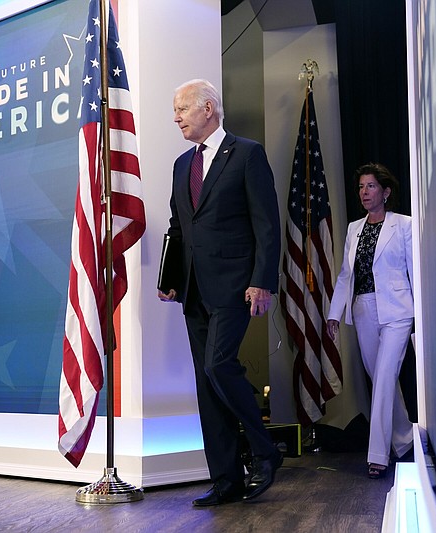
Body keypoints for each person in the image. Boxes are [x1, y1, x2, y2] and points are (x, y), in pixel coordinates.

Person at [158, 79, 283, 506]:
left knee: (218, 366)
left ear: (208, 108)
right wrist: (169, 277)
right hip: (193, 291)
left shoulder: (247, 154)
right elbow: (179, 227)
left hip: (236, 286)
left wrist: (263, 281)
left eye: (182, 109)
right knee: (207, 387)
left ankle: (266, 452)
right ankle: (226, 479)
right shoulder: (181, 165)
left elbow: (267, 224)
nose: (176, 117)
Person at [326, 163, 415, 479]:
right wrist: (335, 313)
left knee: (386, 375)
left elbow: (414, 270)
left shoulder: (404, 225)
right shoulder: (354, 228)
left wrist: (423, 316)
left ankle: (378, 454)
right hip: (363, 309)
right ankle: (405, 443)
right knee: (381, 380)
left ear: (386, 192)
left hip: (398, 311)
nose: (364, 192)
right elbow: (345, 275)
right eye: (361, 187)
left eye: (371, 186)